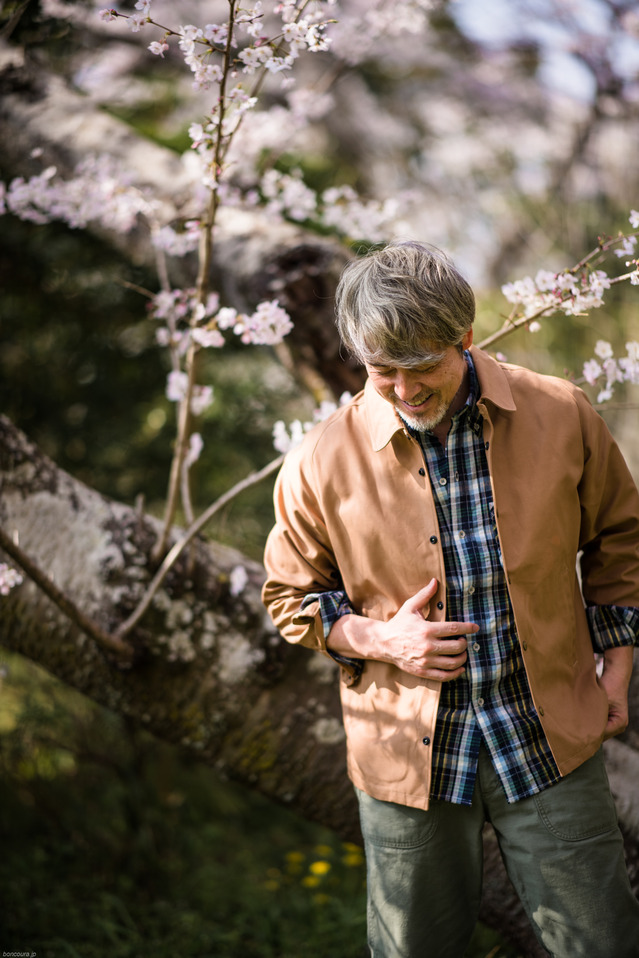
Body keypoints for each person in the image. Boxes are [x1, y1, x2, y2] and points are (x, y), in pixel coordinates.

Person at [261, 242, 639, 958]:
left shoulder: (562, 413)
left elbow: (621, 540)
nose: (404, 390)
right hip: (405, 760)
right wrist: (381, 639)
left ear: (464, 337)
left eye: (421, 365)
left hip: (549, 737)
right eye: (382, 371)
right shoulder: (318, 459)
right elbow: (290, 597)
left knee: (602, 944)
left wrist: (617, 661)